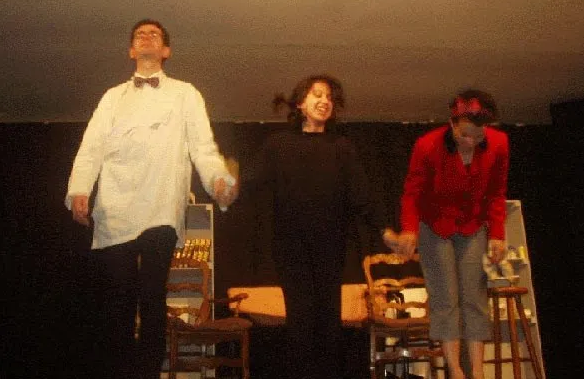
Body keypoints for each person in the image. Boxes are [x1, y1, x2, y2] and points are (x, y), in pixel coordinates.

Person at [65, 19, 238, 379]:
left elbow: (203, 147)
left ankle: (146, 372)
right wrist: (80, 189)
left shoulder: (186, 94)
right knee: (119, 298)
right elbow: (91, 147)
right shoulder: (112, 97)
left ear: (166, 51)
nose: (146, 38)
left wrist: (218, 181)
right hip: (116, 205)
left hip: (161, 202)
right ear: (131, 50)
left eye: (154, 35)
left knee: (152, 293)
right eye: (139, 35)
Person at [251, 75, 391, 379]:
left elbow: (362, 196)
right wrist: (225, 185)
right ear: (300, 103)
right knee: (300, 323)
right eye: (317, 94)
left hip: (331, 249)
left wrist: (385, 230)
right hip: (291, 249)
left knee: (329, 323)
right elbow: (253, 183)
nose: (325, 101)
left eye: (329, 97)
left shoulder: (342, 147)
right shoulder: (278, 145)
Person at [386, 89, 509, 379]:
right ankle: (455, 370)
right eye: (465, 135)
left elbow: (496, 193)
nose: (471, 142)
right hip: (435, 226)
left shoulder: (499, 143)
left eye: (478, 136)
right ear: (452, 124)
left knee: (474, 298)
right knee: (445, 299)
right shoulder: (427, 145)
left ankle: (477, 371)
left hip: (473, 225)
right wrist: (409, 230)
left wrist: (497, 234)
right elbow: (412, 193)